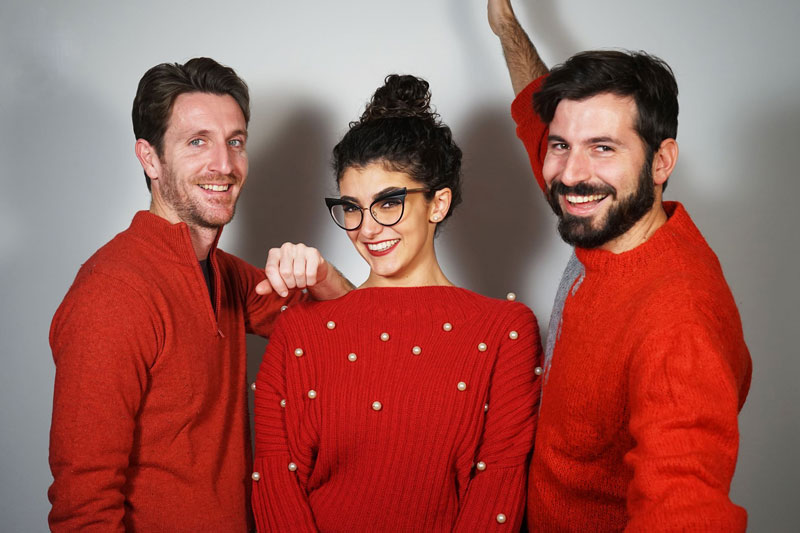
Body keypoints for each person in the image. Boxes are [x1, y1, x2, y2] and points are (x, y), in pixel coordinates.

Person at [48, 57, 352, 532]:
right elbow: (82, 507)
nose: (224, 165)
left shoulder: (226, 275)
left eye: (235, 142)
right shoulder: (111, 293)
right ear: (150, 158)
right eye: (197, 142)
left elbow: (349, 330)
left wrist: (324, 274)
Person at [488, 1, 753, 531]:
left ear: (661, 161)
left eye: (603, 148)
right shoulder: (607, 213)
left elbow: (684, 503)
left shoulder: (677, 320)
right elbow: (536, 113)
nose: (570, 174)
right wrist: (506, 26)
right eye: (561, 145)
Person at [250, 74, 543, 532]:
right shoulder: (300, 329)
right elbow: (275, 482)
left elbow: (497, 490)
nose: (367, 228)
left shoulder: (505, 331)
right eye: (352, 207)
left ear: (437, 204)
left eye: (388, 203)